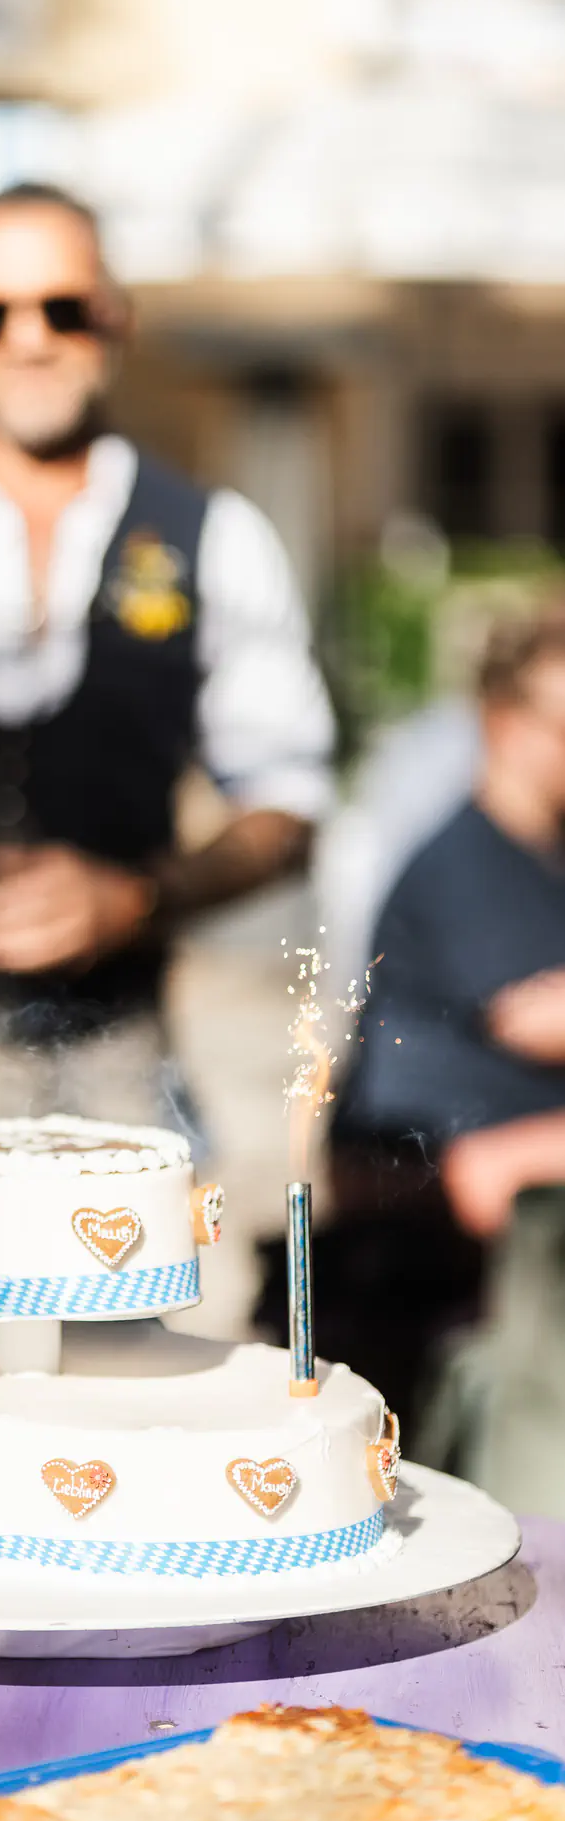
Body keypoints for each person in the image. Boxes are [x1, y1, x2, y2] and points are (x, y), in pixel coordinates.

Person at [0, 184, 335, 1124]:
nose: (30, 340)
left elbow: (286, 803)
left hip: (119, 1068)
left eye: (63, 309)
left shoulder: (215, 536)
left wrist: (141, 897)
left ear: (115, 319)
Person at [337, 605, 565, 1506]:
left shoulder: (544, 855)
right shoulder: (464, 862)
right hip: (428, 1207)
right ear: (502, 721)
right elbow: (538, 1017)